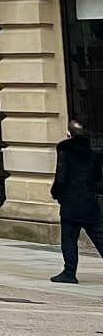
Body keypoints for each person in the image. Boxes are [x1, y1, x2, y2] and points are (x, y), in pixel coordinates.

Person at [51, 118, 103, 283]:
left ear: (69, 134)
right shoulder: (93, 152)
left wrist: (57, 193)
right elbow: (98, 177)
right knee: (99, 236)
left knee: (68, 238)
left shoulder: (65, 149)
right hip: (89, 200)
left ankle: (69, 272)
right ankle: (68, 273)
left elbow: (61, 175)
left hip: (71, 200)